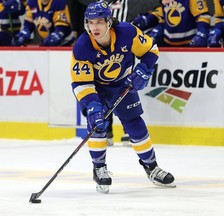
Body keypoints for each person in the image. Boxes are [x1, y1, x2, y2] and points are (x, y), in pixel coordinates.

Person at [70, 1, 176, 194]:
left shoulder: (127, 32)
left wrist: (144, 70)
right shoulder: (82, 47)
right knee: (96, 124)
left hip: (122, 85)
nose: (95, 27)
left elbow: (151, 50)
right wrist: (92, 106)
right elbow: (81, 83)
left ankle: (151, 167)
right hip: (96, 88)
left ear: (109, 22)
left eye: (99, 22)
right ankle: (99, 168)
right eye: (91, 22)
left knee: (134, 123)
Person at [132, 0, 211, 47]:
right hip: (168, 44)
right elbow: (162, 17)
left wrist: (202, 31)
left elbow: (203, 16)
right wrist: (157, 30)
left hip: (189, 44)